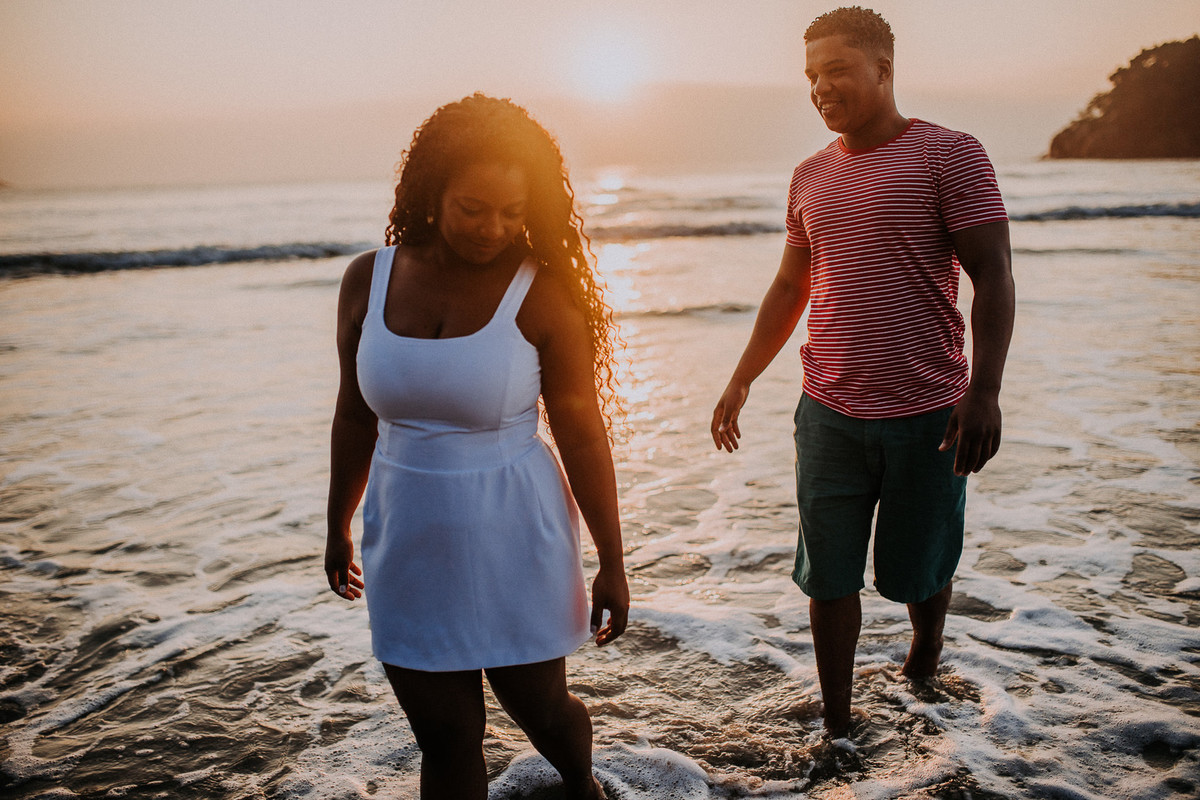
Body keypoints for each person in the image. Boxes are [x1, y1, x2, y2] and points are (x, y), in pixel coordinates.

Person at [711, 7, 1015, 739]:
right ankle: (838, 725)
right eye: (811, 75)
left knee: (920, 567)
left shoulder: (950, 155)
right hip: (829, 415)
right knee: (829, 574)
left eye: (837, 70)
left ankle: (926, 650)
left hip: (928, 412)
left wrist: (985, 392)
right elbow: (791, 286)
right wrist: (742, 376)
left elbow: (994, 275)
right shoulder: (809, 176)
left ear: (884, 69)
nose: (820, 88)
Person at [324, 93, 629, 799]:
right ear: (433, 196)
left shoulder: (542, 294)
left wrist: (612, 560)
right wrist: (337, 522)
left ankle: (582, 785)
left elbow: (582, 432)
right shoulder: (367, 280)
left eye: (513, 212)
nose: (494, 228)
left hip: (513, 532)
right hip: (407, 535)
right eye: (473, 208)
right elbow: (354, 416)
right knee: (445, 734)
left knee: (543, 712)